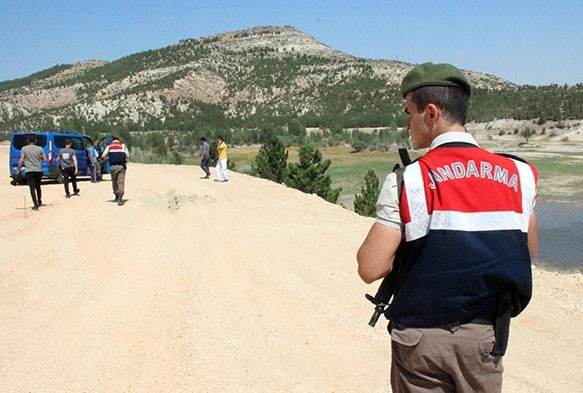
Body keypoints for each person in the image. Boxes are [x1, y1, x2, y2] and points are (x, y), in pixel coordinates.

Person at [356, 62, 538, 393]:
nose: (407, 125)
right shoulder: (521, 175)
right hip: (484, 339)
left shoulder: (407, 180)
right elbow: (527, 249)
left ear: (431, 113)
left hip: (420, 341)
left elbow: (370, 268)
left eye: (409, 113)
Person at [16, 134, 47, 210]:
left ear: (28, 141)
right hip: (38, 170)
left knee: (32, 188)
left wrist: (18, 169)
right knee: (38, 186)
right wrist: (39, 157)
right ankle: (39, 201)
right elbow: (45, 159)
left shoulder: (24, 149)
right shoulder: (40, 149)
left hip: (29, 170)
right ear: (36, 141)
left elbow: (21, 160)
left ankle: (35, 204)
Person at [101, 136, 130, 206]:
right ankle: (120, 197)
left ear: (112, 140)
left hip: (113, 166)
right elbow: (128, 156)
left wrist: (109, 158)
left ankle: (116, 194)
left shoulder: (109, 146)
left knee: (114, 181)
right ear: (118, 140)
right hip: (121, 166)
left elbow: (102, 156)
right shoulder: (123, 146)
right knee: (120, 182)